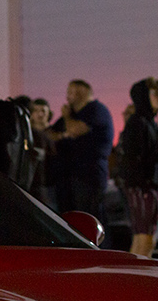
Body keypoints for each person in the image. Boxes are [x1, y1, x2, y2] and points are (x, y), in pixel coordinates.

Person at [117, 78, 158, 257]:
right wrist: (144, 180)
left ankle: (136, 274)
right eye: (156, 94)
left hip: (147, 185)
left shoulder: (149, 123)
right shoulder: (138, 123)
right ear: (143, 96)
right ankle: (136, 275)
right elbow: (136, 158)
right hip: (143, 186)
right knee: (145, 237)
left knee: (145, 236)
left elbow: (152, 158)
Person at [49, 79, 114, 221]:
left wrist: (67, 119)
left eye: (72, 92)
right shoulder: (73, 114)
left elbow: (74, 130)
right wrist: (61, 134)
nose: (68, 96)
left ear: (83, 93)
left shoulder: (96, 110)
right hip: (71, 175)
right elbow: (50, 133)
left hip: (89, 175)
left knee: (88, 217)